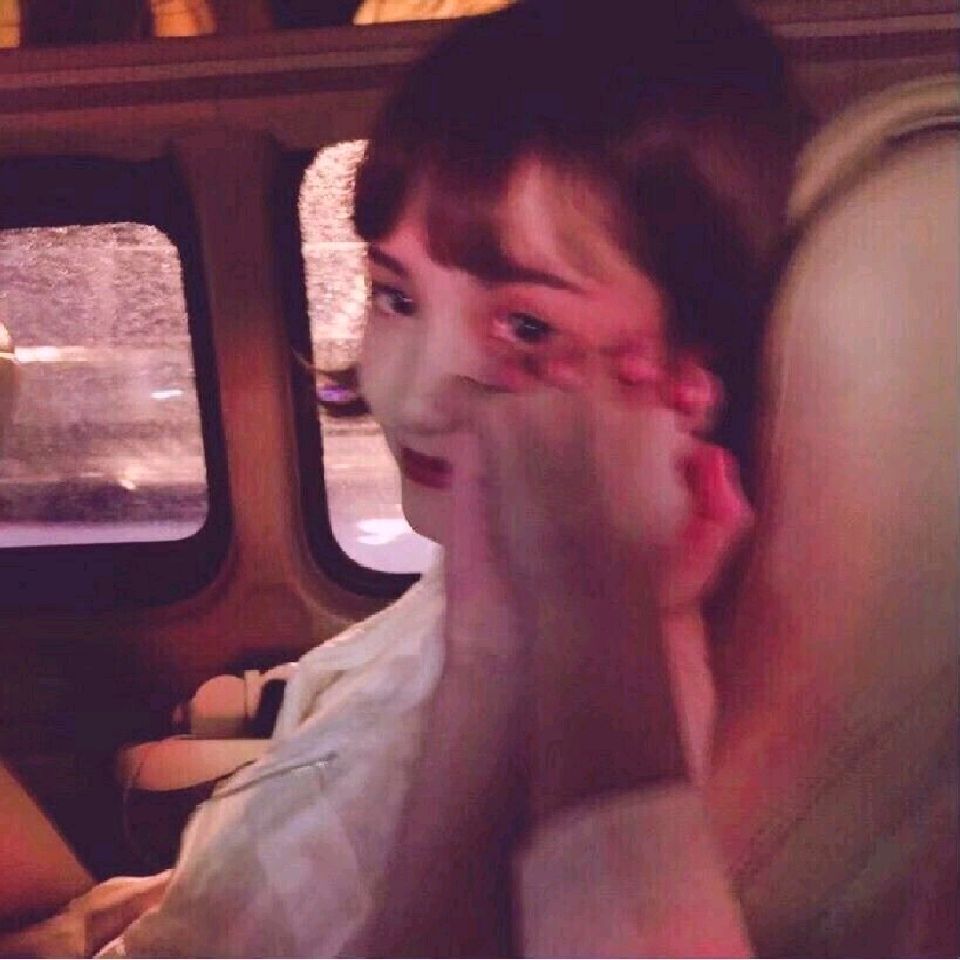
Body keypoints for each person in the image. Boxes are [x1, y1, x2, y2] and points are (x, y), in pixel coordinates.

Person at [2, 0, 806, 955]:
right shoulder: (490, 566)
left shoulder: (616, 713)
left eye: (527, 326)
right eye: (396, 295)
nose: (417, 395)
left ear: (699, 373)